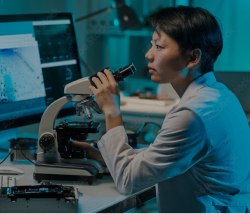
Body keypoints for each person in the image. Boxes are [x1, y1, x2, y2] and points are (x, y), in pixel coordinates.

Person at [73, 6, 250, 214]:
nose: (148, 55)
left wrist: (112, 111)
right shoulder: (220, 94)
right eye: (151, 45)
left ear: (192, 58)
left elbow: (127, 181)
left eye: (159, 47)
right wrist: (103, 157)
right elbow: (166, 154)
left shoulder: (192, 115)